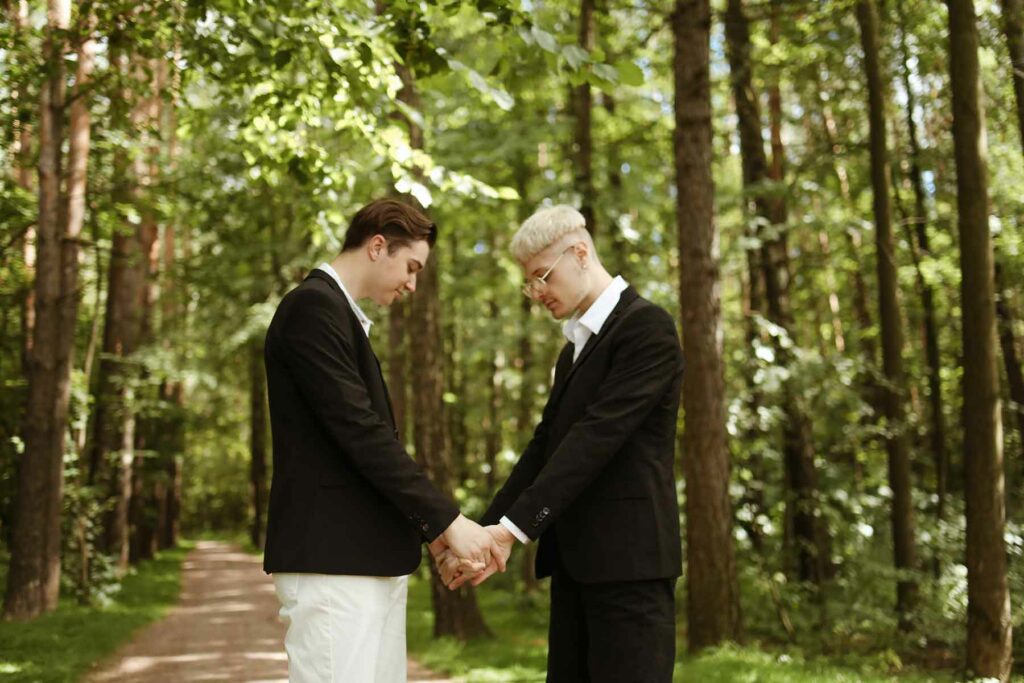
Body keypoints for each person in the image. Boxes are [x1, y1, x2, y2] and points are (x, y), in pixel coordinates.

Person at [438, 204, 684, 682]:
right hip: (576, 568)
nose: (536, 293)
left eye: (542, 276)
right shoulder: (573, 350)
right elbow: (545, 447)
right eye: (529, 283)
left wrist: (508, 534)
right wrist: (480, 535)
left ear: (581, 253)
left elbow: (593, 442)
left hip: (630, 571)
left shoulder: (647, 330)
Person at [263, 198, 501, 682]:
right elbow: (361, 435)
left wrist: (432, 536)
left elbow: (360, 450)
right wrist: (449, 522)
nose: (413, 284)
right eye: (411, 266)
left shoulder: (340, 318)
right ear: (377, 246)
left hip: (367, 562)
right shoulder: (312, 309)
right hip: (334, 566)